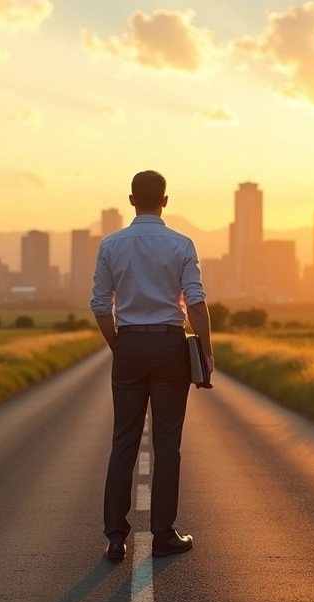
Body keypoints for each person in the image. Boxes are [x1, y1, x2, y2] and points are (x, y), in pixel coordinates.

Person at [90, 170, 214, 562]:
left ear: (131, 200)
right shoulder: (182, 244)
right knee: (167, 444)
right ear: (165, 201)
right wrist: (207, 354)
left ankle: (114, 537)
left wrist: (118, 344)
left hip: (128, 344)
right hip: (169, 346)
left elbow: (98, 305)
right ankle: (163, 535)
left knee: (123, 441)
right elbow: (195, 302)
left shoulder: (111, 244)